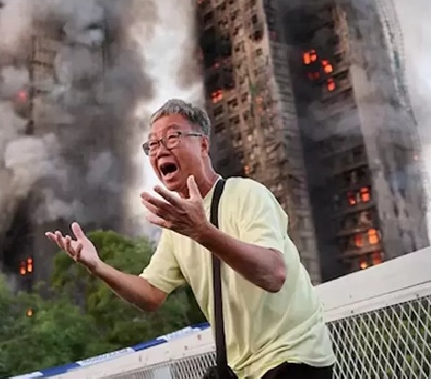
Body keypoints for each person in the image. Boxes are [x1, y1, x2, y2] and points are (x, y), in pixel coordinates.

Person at [46, 99, 337, 378]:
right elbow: (150, 294)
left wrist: (202, 232)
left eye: (172, 137)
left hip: (293, 357)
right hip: (241, 368)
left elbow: (273, 274)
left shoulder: (246, 194)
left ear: (203, 145)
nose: (160, 149)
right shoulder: (178, 227)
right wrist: (98, 266)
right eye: (153, 144)